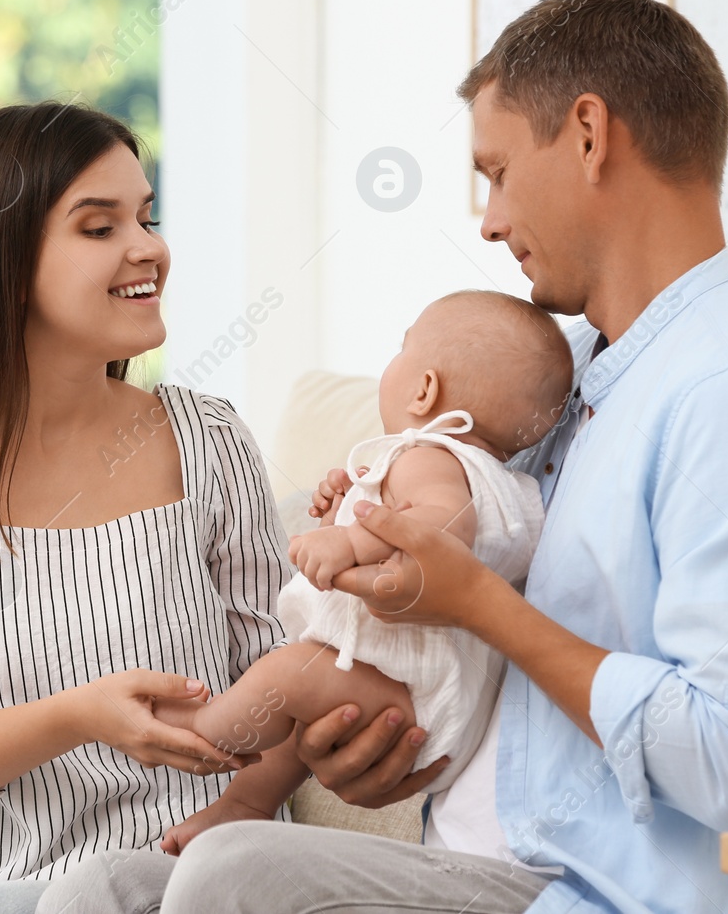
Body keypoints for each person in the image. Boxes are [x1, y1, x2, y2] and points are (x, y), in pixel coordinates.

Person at [39, 0, 728, 914]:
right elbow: (477, 672)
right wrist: (368, 745)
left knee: (236, 873)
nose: (488, 220)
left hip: (622, 899)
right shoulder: (571, 384)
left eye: (498, 171)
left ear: (590, 134)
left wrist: (476, 603)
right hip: (493, 872)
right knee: (102, 888)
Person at [0, 102, 295, 912]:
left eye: (145, 217)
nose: (149, 248)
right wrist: (75, 717)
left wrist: (240, 807)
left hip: (184, 883)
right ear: (0, 260)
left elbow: (283, 678)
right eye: (98, 227)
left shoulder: (209, 441)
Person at [148, 291, 573, 855]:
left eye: (402, 349)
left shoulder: (432, 456)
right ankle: (244, 805)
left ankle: (198, 734)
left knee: (289, 674)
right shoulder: (496, 478)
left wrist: (350, 538)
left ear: (424, 389)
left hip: (413, 694)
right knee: (298, 710)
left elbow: (443, 525)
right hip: (422, 698)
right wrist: (346, 504)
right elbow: (425, 514)